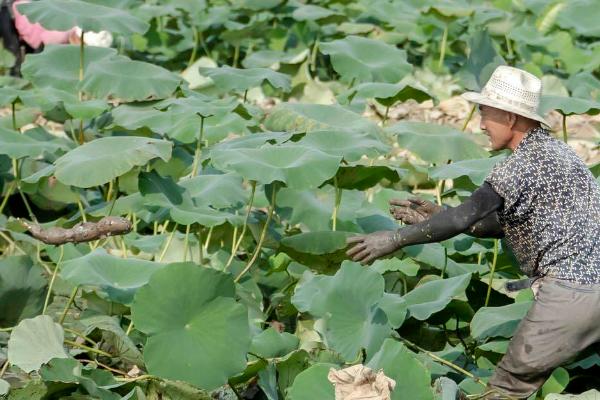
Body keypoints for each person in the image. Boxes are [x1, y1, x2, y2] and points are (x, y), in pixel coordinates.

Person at [346, 65, 600, 400]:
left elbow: (463, 218)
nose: (481, 125)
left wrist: (392, 239)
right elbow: (499, 222)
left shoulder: (517, 166)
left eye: (486, 115)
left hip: (572, 293)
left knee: (506, 388)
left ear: (510, 118)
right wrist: (440, 215)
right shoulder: (561, 154)